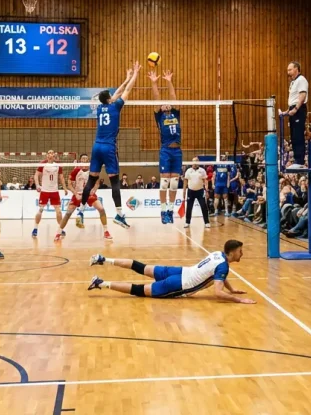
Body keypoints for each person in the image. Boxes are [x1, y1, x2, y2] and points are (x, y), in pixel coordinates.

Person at [87, 240, 255, 303]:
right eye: (240, 251)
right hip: (179, 284)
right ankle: (101, 283)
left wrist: (231, 288)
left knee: (142, 267)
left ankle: (103, 259)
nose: (242, 254)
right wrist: (237, 299)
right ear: (232, 253)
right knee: (140, 290)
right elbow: (218, 292)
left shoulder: (218, 254)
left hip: (180, 271)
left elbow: (218, 276)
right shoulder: (223, 266)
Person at [81, 61, 141, 230]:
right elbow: (127, 90)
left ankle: (81, 210)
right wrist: (135, 74)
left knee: (91, 180)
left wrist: (126, 77)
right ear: (110, 99)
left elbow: (115, 94)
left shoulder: (100, 109)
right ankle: (120, 214)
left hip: (96, 147)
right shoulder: (116, 107)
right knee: (115, 180)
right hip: (108, 147)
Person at [150, 69, 182, 224]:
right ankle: (163, 211)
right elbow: (157, 99)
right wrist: (154, 82)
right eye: (163, 104)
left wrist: (169, 81)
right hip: (166, 150)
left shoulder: (175, 114)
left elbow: (173, 97)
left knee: (175, 183)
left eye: (167, 104)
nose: (166, 104)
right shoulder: (159, 115)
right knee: (164, 182)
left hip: (177, 151)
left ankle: (170, 210)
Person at [59, 154, 111, 239]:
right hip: (78, 194)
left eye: (86, 159)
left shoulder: (93, 170)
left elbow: (97, 183)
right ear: (80, 160)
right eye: (83, 158)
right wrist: (75, 194)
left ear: (88, 161)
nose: (84, 160)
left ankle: (106, 231)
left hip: (89, 194)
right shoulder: (76, 171)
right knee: (68, 213)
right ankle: (58, 232)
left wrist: (93, 190)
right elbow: (69, 184)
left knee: (101, 209)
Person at [32, 150, 69, 241]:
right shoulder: (43, 164)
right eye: (49, 153)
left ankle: (60, 229)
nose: (50, 154)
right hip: (44, 191)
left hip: (54, 191)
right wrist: (37, 185)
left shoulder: (57, 165)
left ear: (54, 155)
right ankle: (35, 228)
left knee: (59, 211)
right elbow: (36, 175)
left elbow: (61, 177)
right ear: (47, 156)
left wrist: (64, 188)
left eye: (52, 153)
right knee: (40, 210)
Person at [281, 61, 309, 170]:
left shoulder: (301, 80)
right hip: (293, 108)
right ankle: (297, 159)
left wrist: (296, 108)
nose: (288, 72)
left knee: (298, 134)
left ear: (296, 69)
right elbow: (293, 98)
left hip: (299, 109)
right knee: (293, 135)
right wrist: (288, 110)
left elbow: (302, 95)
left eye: (290, 70)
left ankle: (300, 161)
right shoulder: (293, 82)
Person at [181, 159, 210, 229]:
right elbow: (185, 181)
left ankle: (207, 222)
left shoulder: (202, 170)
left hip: (200, 191)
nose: (195, 162)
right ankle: (187, 222)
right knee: (189, 207)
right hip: (191, 191)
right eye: (193, 161)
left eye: (196, 161)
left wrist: (206, 190)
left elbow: (205, 181)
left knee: (204, 206)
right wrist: (184, 191)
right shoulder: (188, 171)